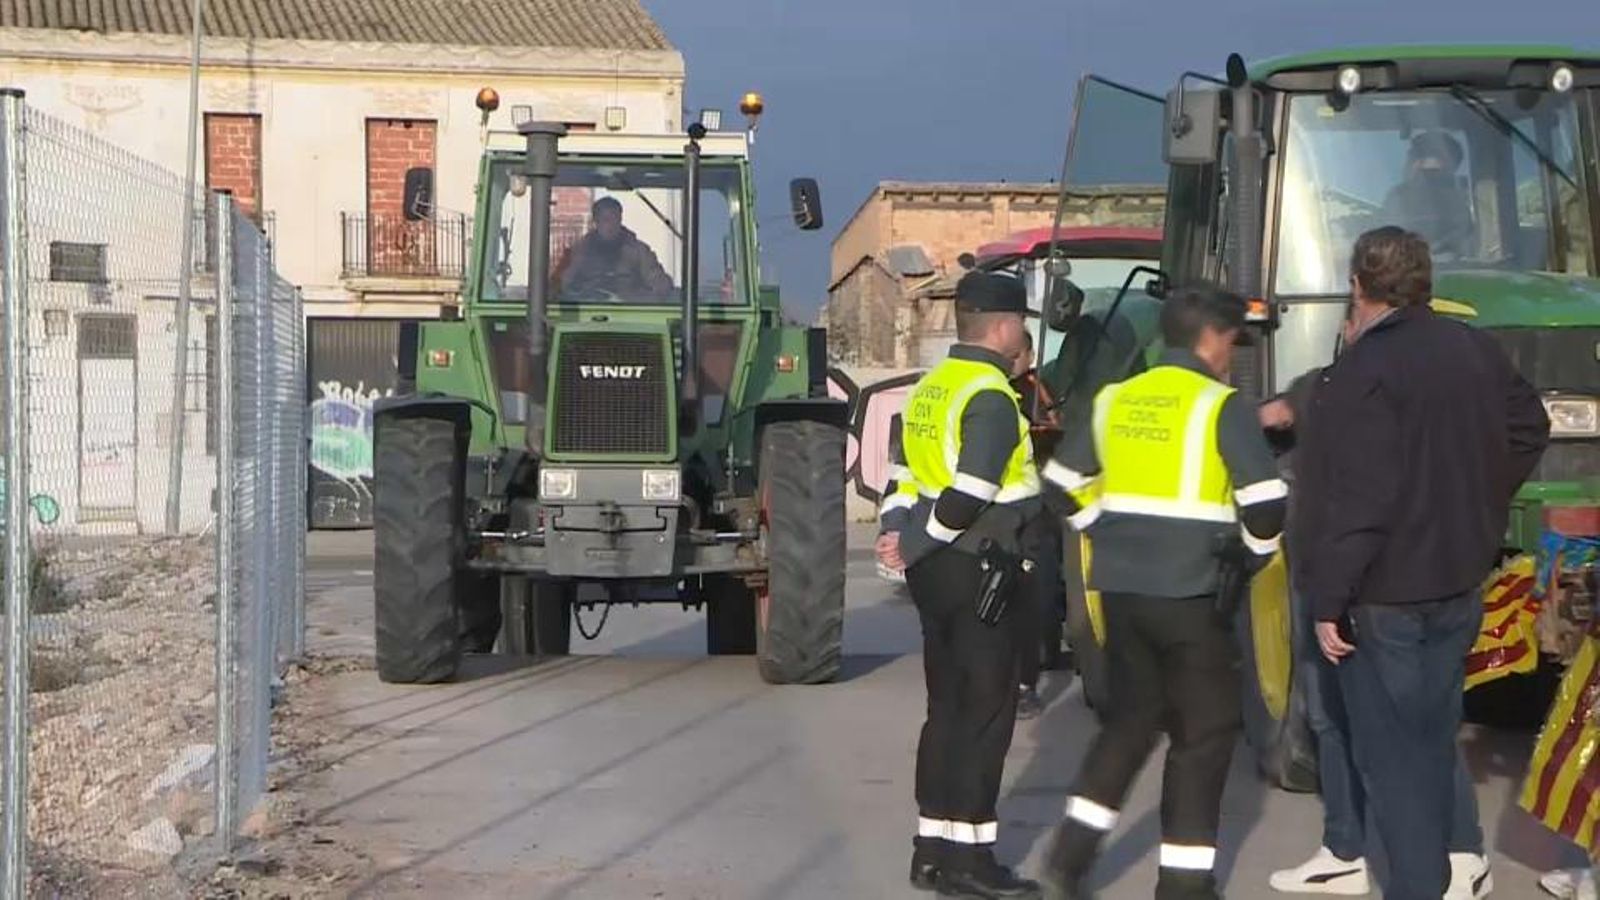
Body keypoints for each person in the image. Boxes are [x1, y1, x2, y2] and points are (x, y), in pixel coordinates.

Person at [1296, 227, 1549, 900]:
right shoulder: (1475, 348)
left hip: (1385, 593)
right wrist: (1482, 495)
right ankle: (1453, 866)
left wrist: (1327, 600)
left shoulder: (1360, 370)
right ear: (1426, 281)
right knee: (1433, 737)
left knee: (1393, 762)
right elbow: (1531, 428)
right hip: (1460, 580)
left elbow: (1360, 498)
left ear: (1357, 286)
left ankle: (1418, 885)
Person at [1037, 286, 1288, 900]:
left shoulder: (1115, 400)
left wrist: (1102, 527)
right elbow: (1266, 505)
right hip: (1194, 595)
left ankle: (1069, 857)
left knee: (1130, 721)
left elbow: (1060, 482)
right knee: (1205, 734)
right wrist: (1251, 561)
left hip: (1122, 591)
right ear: (1210, 339)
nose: (1232, 355)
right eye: (1232, 341)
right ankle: (1183, 883)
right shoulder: (1220, 404)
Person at [1263, 307, 1495, 899]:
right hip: (1350, 577)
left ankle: (1456, 853)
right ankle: (1347, 847)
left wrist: (1329, 600)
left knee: (1411, 726)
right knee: (1336, 720)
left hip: (1367, 586)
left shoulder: (1367, 388)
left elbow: (1358, 504)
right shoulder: (1341, 383)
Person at [874, 270, 1044, 899]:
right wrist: (917, 541)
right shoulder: (992, 395)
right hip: (982, 565)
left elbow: (901, 475)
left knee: (945, 707)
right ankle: (971, 859)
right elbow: (973, 489)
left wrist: (899, 535)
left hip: (935, 574)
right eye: (1021, 323)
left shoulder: (929, 389)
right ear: (1004, 327)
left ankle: (932, 848)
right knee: (986, 711)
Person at [1010, 330, 1065, 720]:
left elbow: (1056, 427)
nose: (1015, 358)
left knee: (1037, 596)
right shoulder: (988, 387)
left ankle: (1028, 679)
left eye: (1021, 352)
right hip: (993, 510)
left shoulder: (1037, 387)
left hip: (1038, 508)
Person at [556, 196, 674, 299]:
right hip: (588, 312)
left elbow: (658, 281)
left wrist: (643, 295)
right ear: (595, 222)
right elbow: (559, 286)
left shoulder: (638, 251)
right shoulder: (578, 251)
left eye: (615, 219)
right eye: (605, 220)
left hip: (629, 312)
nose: (611, 225)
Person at [1380, 131, 1475, 258]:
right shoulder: (1397, 197)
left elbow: (1478, 243)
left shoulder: (1467, 199)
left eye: (1414, 156)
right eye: (1414, 156)